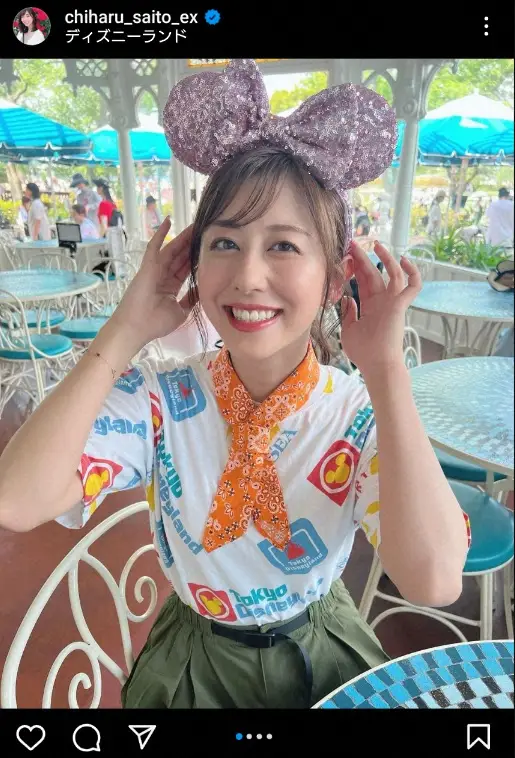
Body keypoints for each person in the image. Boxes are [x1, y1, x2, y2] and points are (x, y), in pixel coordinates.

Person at [0, 59, 470, 710]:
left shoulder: (356, 414)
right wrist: (125, 328)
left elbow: (434, 580)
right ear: (192, 263)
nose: (247, 276)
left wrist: (387, 370)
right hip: (191, 660)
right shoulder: (159, 402)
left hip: (320, 649)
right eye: (224, 243)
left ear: (334, 279)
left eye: (283, 246)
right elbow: (15, 502)